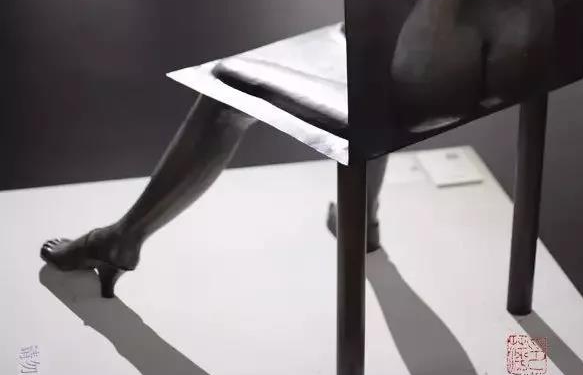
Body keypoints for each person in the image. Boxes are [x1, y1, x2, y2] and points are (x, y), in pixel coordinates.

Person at [41, 78, 388, 297]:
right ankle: (361, 221)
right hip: (414, 76)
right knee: (378, 81)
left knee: (229, 93)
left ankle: (120, 239)